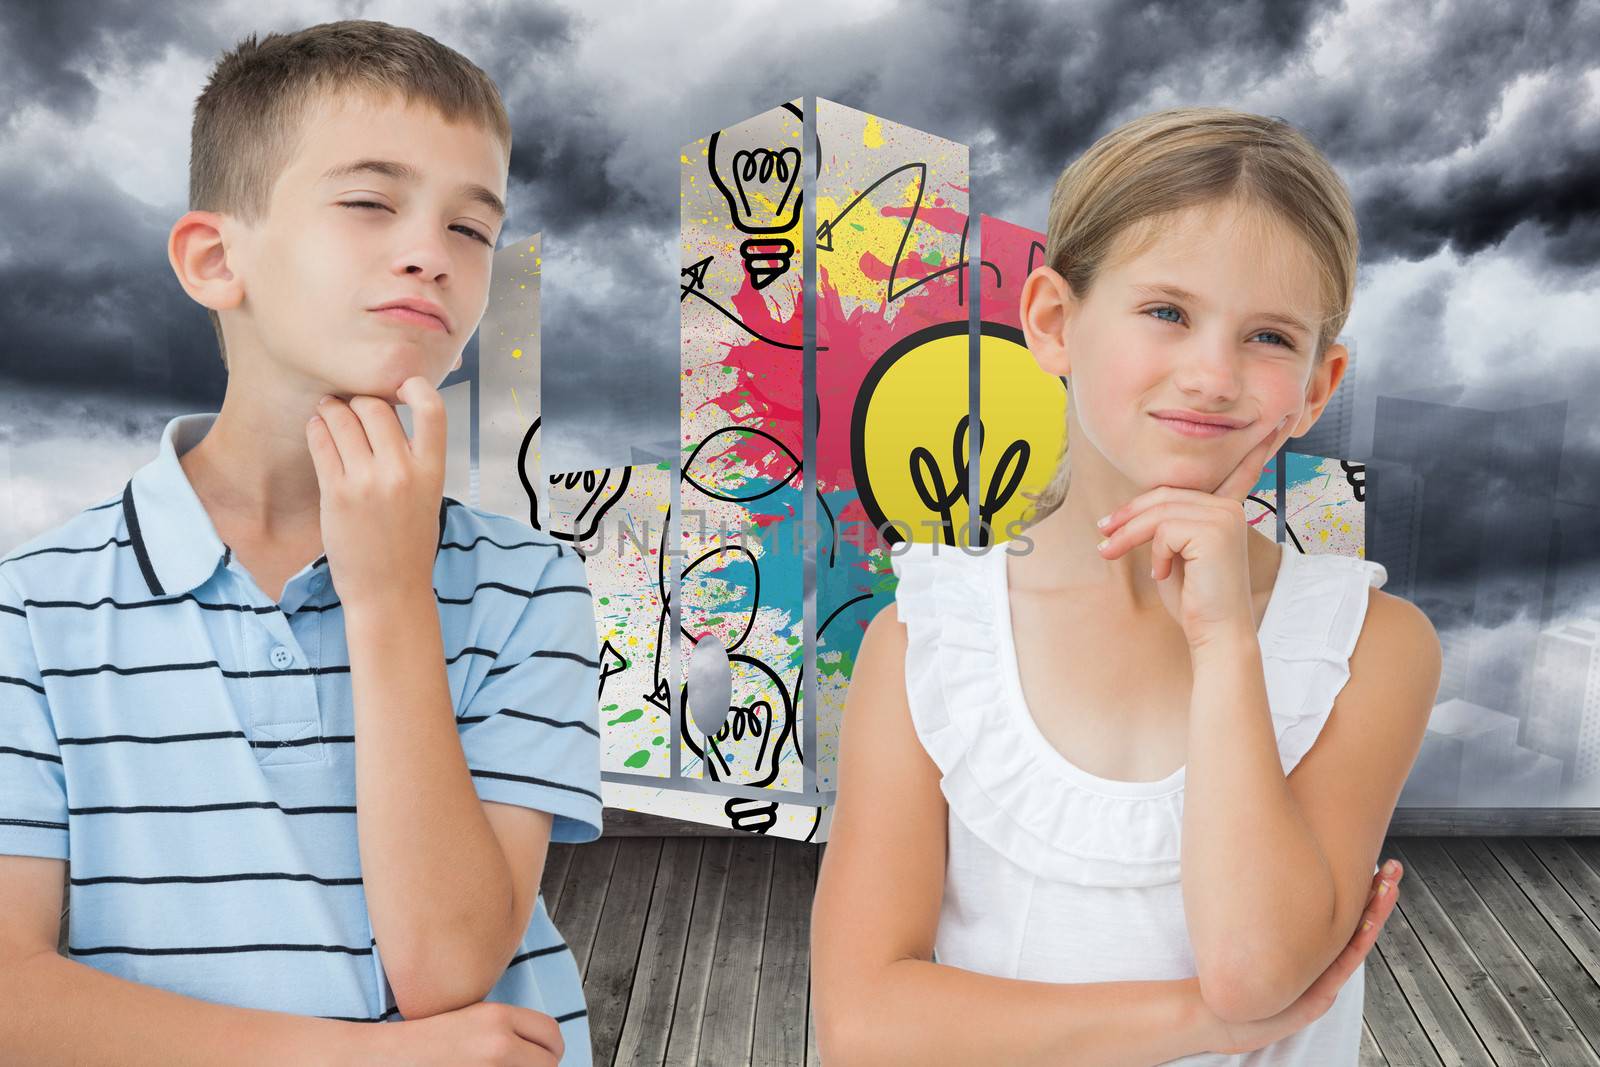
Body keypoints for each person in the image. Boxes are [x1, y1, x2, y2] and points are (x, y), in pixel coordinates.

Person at [0, 20, 601, 1066]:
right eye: (370, 202)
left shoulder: (531, 585)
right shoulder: (32, 608)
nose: (431, 251)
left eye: (474, 228)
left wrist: (387, 598)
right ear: (214, 258)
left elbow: (449, 964)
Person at [812, 106, 1443, 1065]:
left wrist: (1225, 643)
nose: (1212, 374)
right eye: (1167, 312)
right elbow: (864, 1022)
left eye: (1270, 337)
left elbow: (1256, 971)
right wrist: (1197, 1024)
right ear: (1054, 322)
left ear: (1320, 384)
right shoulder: (930, 641)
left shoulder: (1371, 645)